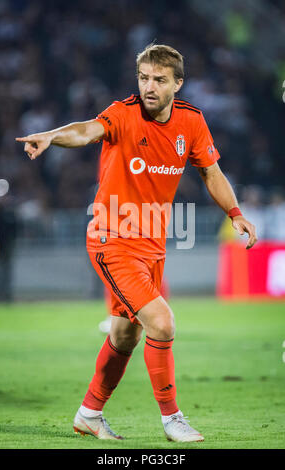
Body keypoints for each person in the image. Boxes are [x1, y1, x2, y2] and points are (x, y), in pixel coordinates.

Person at [16, 44, 257, 443]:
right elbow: (87, 130)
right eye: (143, 77)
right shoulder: (122, 113)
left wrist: (235, 214)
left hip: (152, 244)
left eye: (159, 80)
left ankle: (89, 413)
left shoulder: (191, 123)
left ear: (178, 83)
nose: (148, 86)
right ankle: (172, 418)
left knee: (125, 335)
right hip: (111, 239)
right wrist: (52, 136)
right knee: (161, 322)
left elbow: (211, 173)